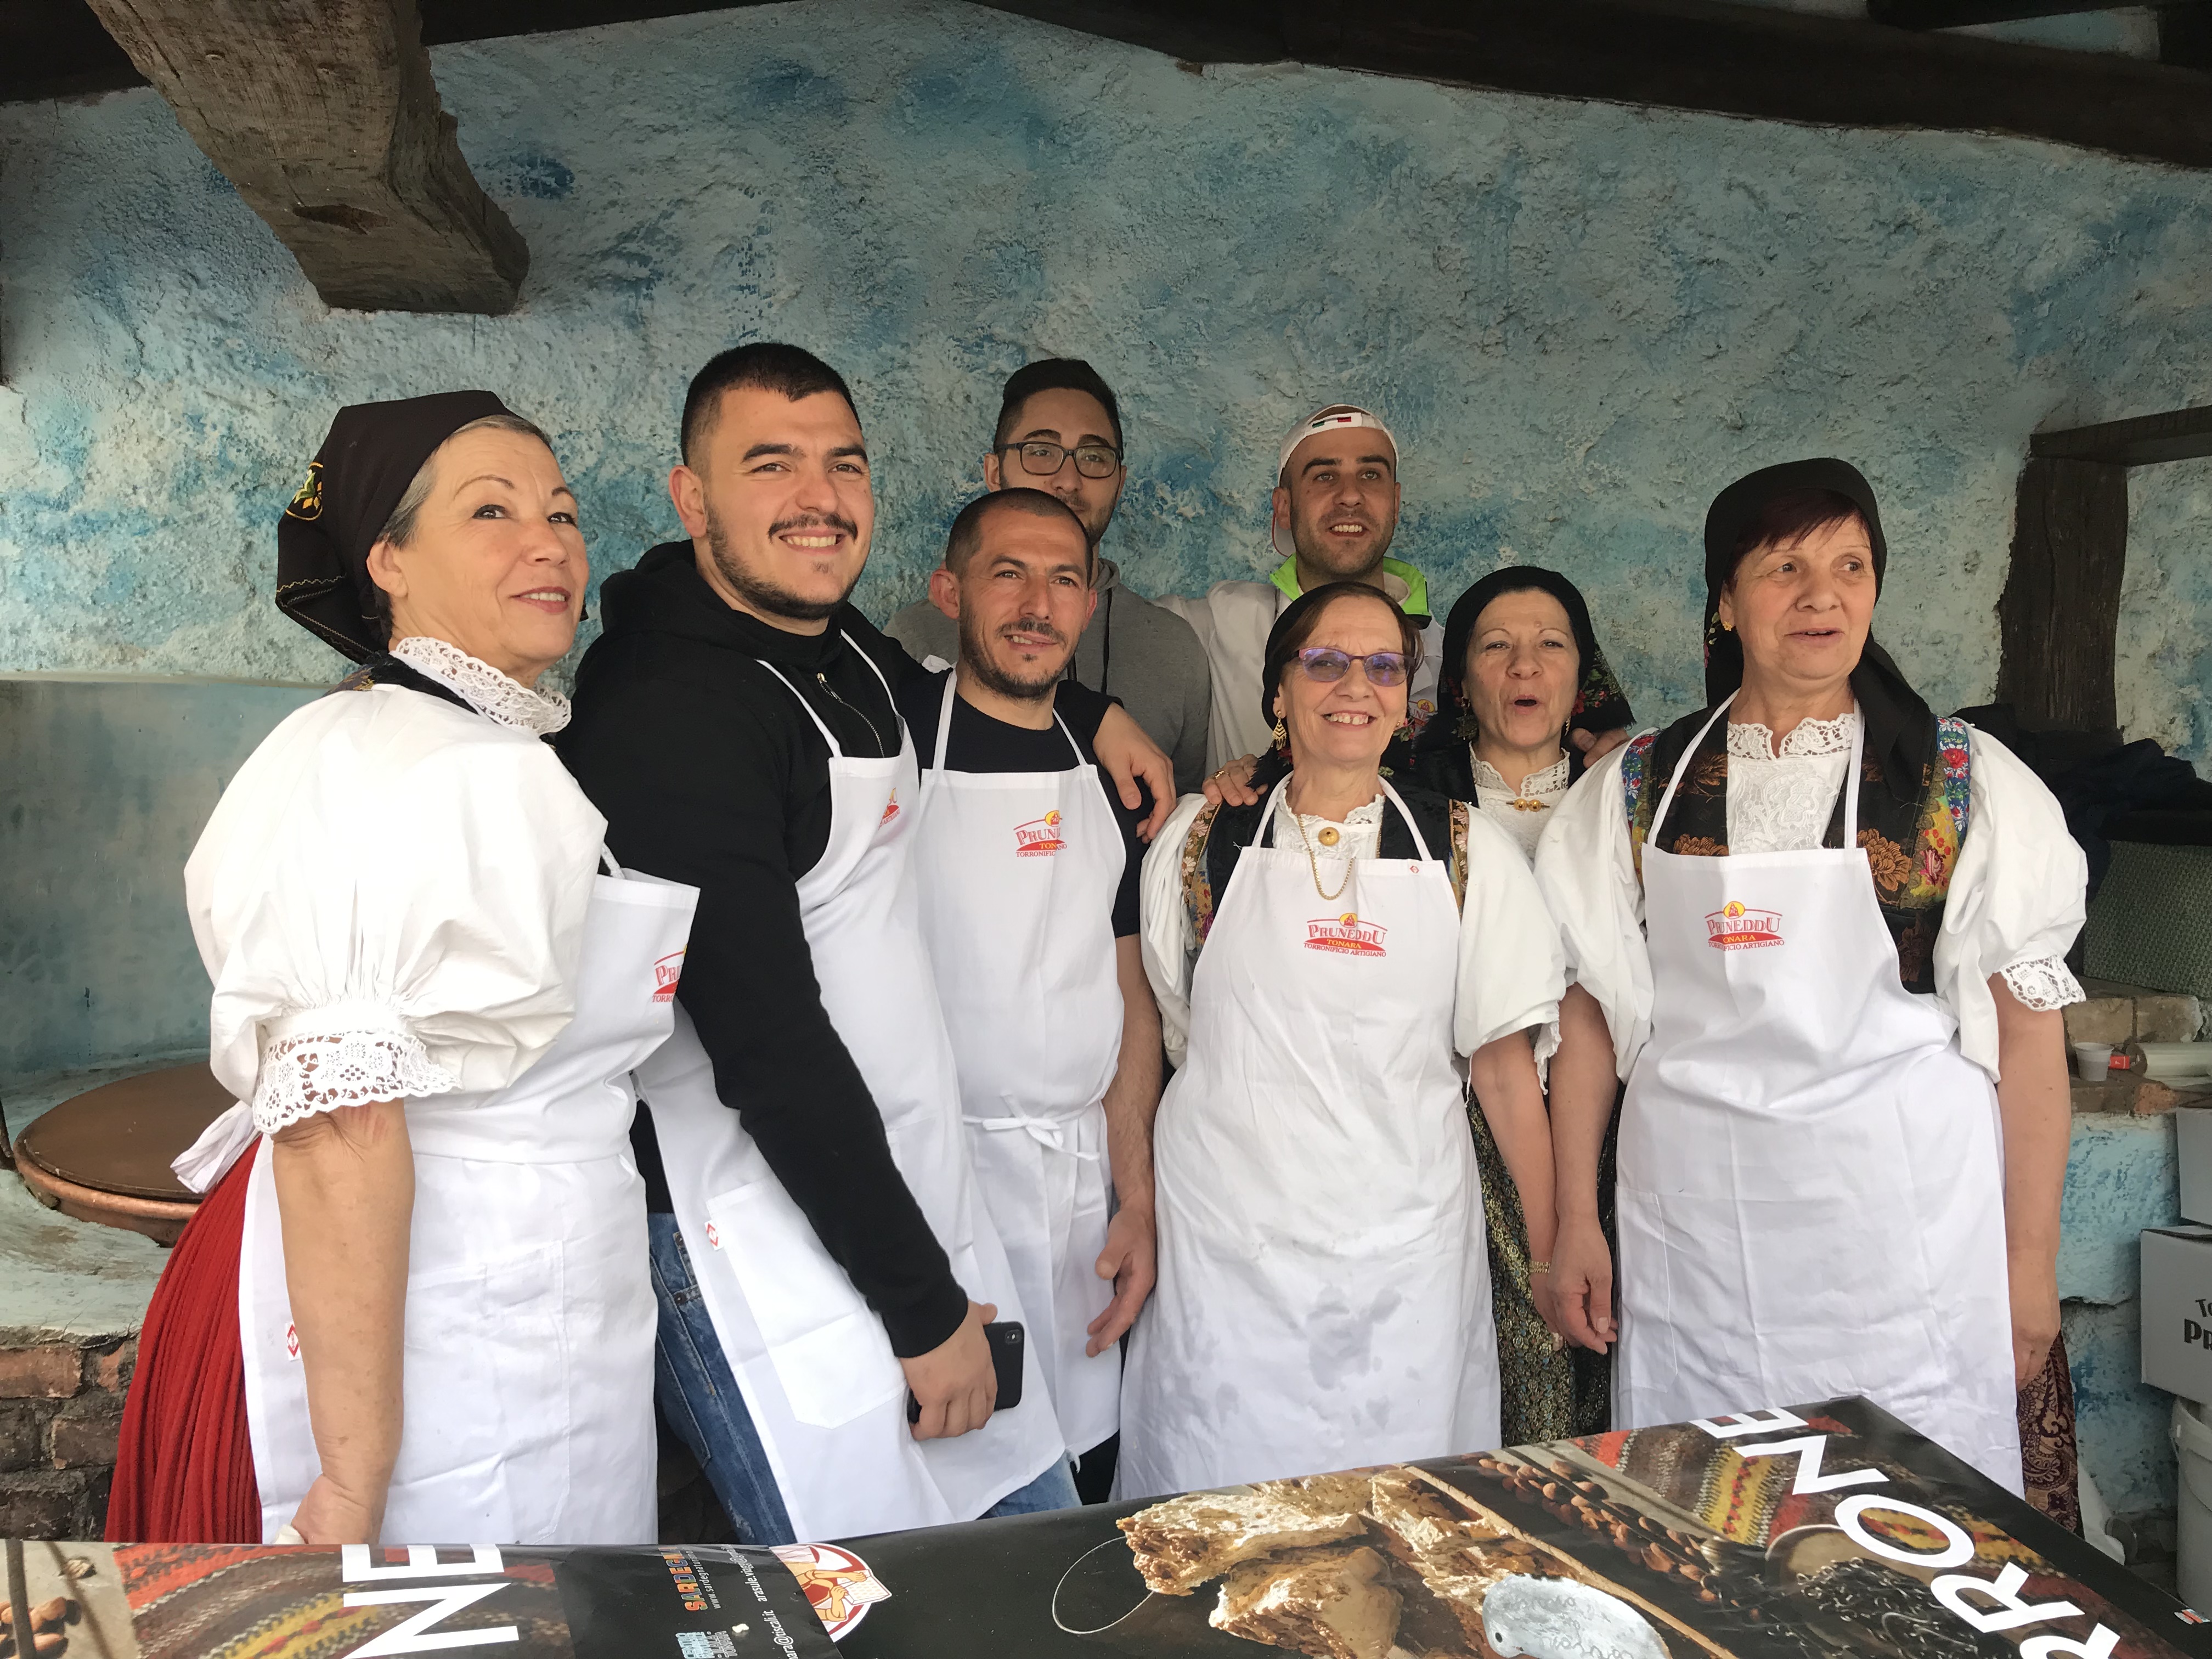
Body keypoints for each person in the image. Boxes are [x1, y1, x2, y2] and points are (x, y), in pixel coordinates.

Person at [556, 343, 1174, 1545]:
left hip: (902, 1197)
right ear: (692, 498)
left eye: (845, 465)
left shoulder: (832, 649)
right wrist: (919, 1306)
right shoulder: (668, 710)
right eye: (771, 464)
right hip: (760, 1228)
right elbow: (767, 1046)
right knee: (876, 1602)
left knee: (1020, 1571)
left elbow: (968, 681)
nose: (820, 497)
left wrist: (1096, 715)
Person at [108, 393, 698, 1545]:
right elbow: (337, 1130)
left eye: (563, 514)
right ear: (389, 559)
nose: (550, 544)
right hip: (423, 1344)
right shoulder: (406, 763)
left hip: (516, 1306)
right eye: (492, 511)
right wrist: (349, 1478)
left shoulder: (476, 749)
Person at [1537, 459, 2084, 1497]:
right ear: (1726, 597)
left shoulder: (1957, 781)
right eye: (1784, 565)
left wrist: (2028, 1267)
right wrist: (1575, 1216)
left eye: (1850, 563)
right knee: (1707, 1509)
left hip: (1902, 1236)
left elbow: (2027, 1031)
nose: (1821, 594)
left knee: (1911, 1519)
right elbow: (1590, 1013)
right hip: (1698, 1226)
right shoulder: (1640, 785)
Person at [1118, 581, 1565, 1499]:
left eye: (1382, 665)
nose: (1352, 684)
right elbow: (1168, 1034)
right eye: (1323, 661)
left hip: (1405, 1253)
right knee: (1216, 1516)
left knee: (1398, 1525)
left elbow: (1506, 1078)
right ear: (1277, 691)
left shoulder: (1465, 851)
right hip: (1227, 1251)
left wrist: (1551, 1250)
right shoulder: (1200, 845)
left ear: (1406, 699)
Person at [900, 488, 1164, 1504]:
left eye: (1063, 578)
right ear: (948, 590)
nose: (1035, 603)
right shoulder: (893, 731)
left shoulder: (1115, 783)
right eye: (1007, 572)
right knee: (957, 1496)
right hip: (940, 1187)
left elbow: (1130, 993)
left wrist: (1134, 1197)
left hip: (1079, 1195)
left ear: (1091, 603)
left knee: (1085, 1481)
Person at [1408, 567, 1635, 1446]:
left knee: (1609, 1344)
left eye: (1550, 645)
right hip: (1463, 1133)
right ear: (1462, 680)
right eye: (1496, 647)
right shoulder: (1417, 807)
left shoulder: (1632, 799)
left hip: (1613, 1126)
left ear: (1584, 673)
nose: (1524, 668)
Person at [888, 358, 1211, 793]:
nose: (1069, 479)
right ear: (994, 472)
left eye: (1094, 457)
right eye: (1041, 452)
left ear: (1120, 481)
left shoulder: (1174, 650)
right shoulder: (915, 636)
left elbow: (1181, 827)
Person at [1160, 403, 1446, 772]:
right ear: (1283, 507)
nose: (1350, 496)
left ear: (1395, 503)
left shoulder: (1450, 654)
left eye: (1371, 474)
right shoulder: (1219, 621)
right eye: (1325, 476)